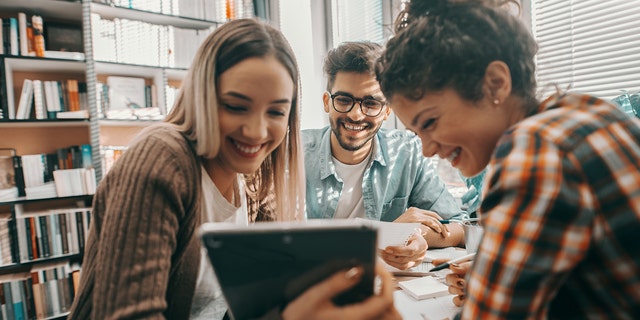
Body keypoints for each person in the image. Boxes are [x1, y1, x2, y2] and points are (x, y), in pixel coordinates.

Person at [69, 19, 399, 320]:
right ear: (202, 98)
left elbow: (265, 300)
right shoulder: (163, 159)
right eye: (235, 106)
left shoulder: (255, 175)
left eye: (275, 112)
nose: (256, 132)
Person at [376, 0, 640, 318]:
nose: (428, 150)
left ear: (495, 83)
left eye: (430, 123)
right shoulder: (587, 111)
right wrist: (499, 272)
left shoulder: (536, 150)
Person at [303, 41, 467, 270]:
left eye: (370, 103)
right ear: (326, 103)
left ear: (387, 110)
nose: (356, 114)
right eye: (343, 100)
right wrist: (385, 234)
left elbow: (459, 226)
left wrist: (416, 236)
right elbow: (287, 245)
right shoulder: (295, 155)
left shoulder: (407, 151)